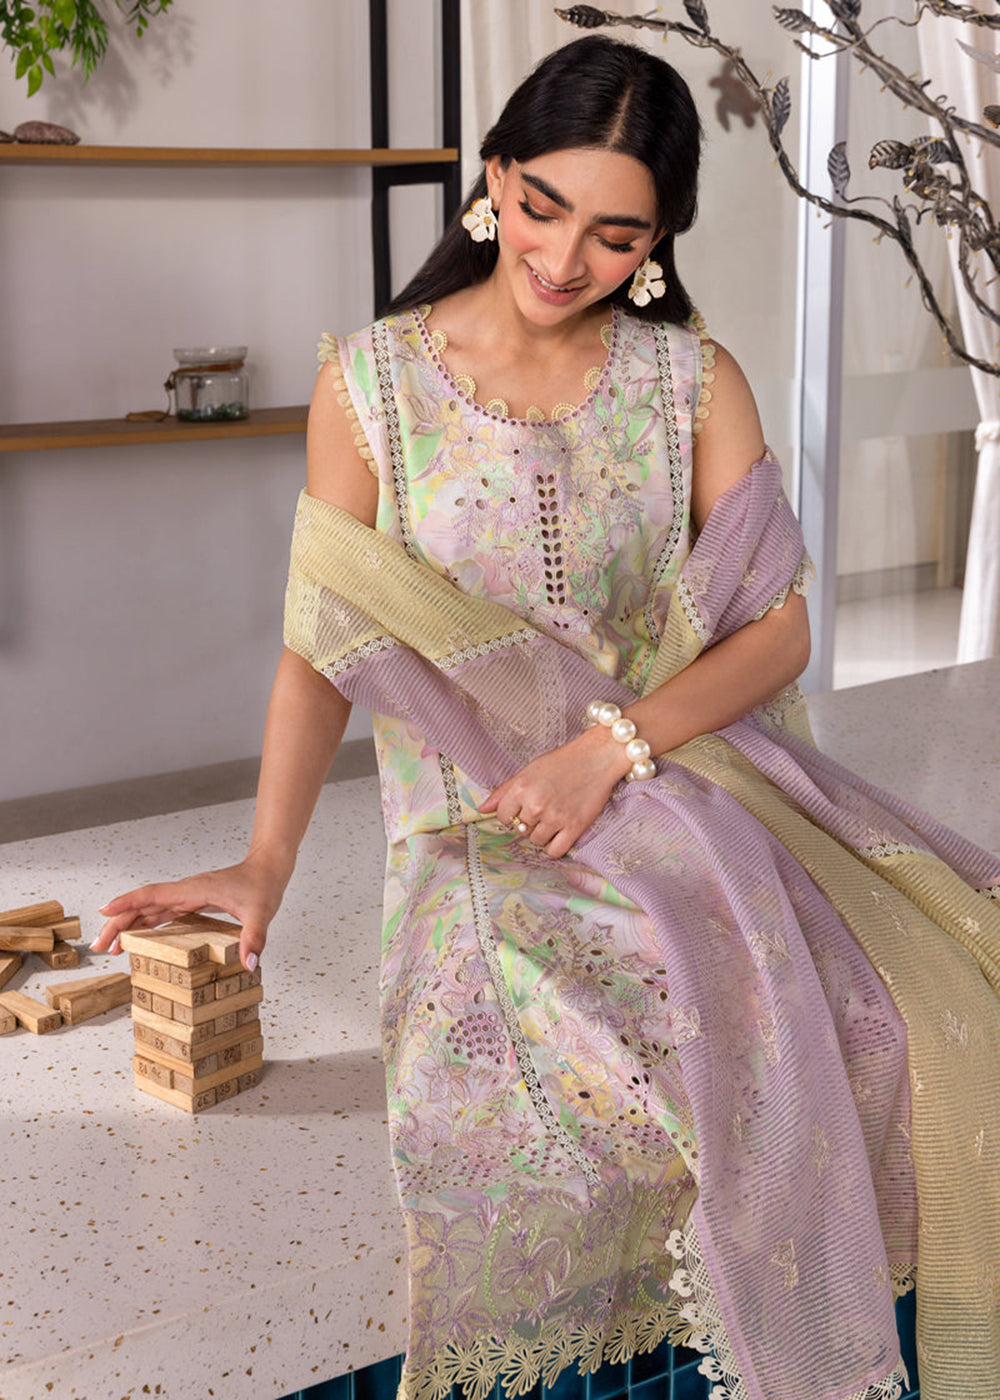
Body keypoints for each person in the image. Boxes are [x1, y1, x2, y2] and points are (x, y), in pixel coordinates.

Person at [92, 35, 1000, 1400]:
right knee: (619, 1068)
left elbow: (779, 630)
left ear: (659, 240)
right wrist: (263, 865)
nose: (566, 258)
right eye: (542, 207)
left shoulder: (691, 382)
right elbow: (322, 650)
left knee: (909, 1014)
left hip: (692, 789)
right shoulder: (373, 387)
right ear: (494, 177)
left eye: (616, 235)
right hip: (480, 838)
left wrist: (610, 751)